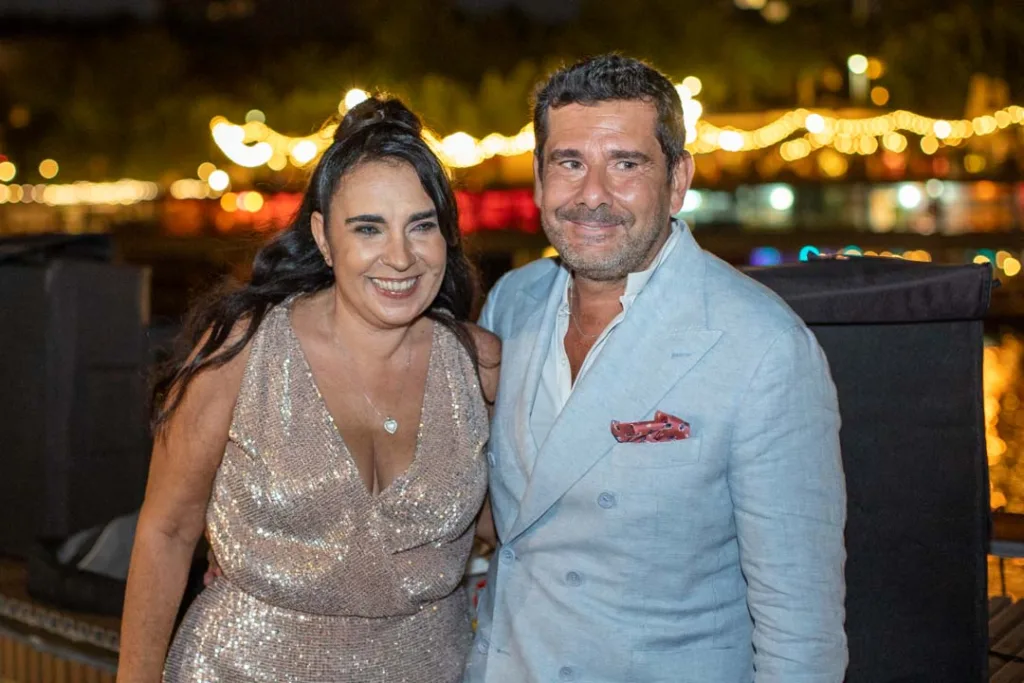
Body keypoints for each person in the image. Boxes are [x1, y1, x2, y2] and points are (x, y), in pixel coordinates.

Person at [464, 54, 847, 683]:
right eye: (569, 163)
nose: (592, 194)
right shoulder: (513, 302)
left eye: (626, 164)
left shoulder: (764, 346)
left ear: (677, 180)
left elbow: (799, 629)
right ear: (537, 178)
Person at [117, 97, 500, 683]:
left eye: (421, 226)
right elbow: (166, 532)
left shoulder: (479, 367)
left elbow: (516, 524)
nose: (400, 257)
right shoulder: (242, 351)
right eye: (368, 228)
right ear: (323, 237)